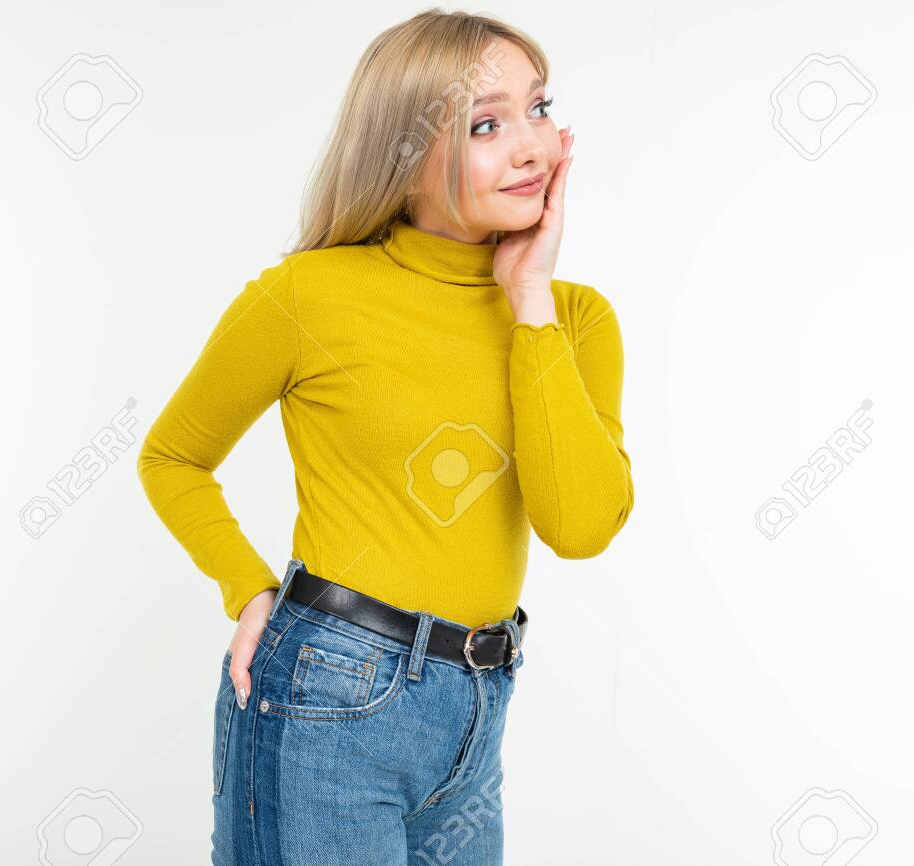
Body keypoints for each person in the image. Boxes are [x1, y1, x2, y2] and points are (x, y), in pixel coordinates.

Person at [136, 8, 633, 864]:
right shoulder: (308, 297)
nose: (531, 146)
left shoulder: (572, 319)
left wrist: (530, 305)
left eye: (540, 108)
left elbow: (581, 527)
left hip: (479, 707)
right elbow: (173, 456)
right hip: (328, 695)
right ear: (405, 157)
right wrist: (247, 588)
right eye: (487, 124)